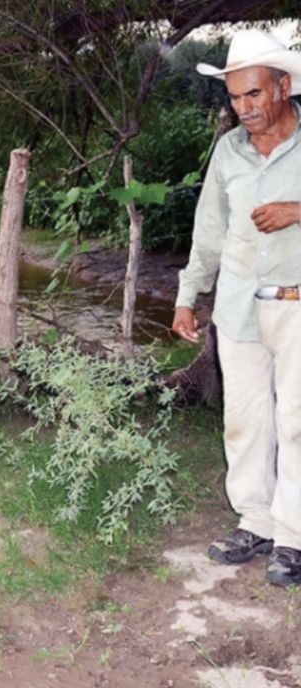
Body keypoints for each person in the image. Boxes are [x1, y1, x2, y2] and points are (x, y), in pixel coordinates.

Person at [173, 29, 301, 587]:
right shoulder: (228, 151)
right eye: (234, 97)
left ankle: (294, 537)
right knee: (245, 422)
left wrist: (300, 209)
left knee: (296, 423)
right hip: (238, 308)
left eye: (254, 94)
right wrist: (186, 296)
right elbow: (210, 232)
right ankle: (256, 522)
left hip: (297, 307)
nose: (243, 108)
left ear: (284, 85)